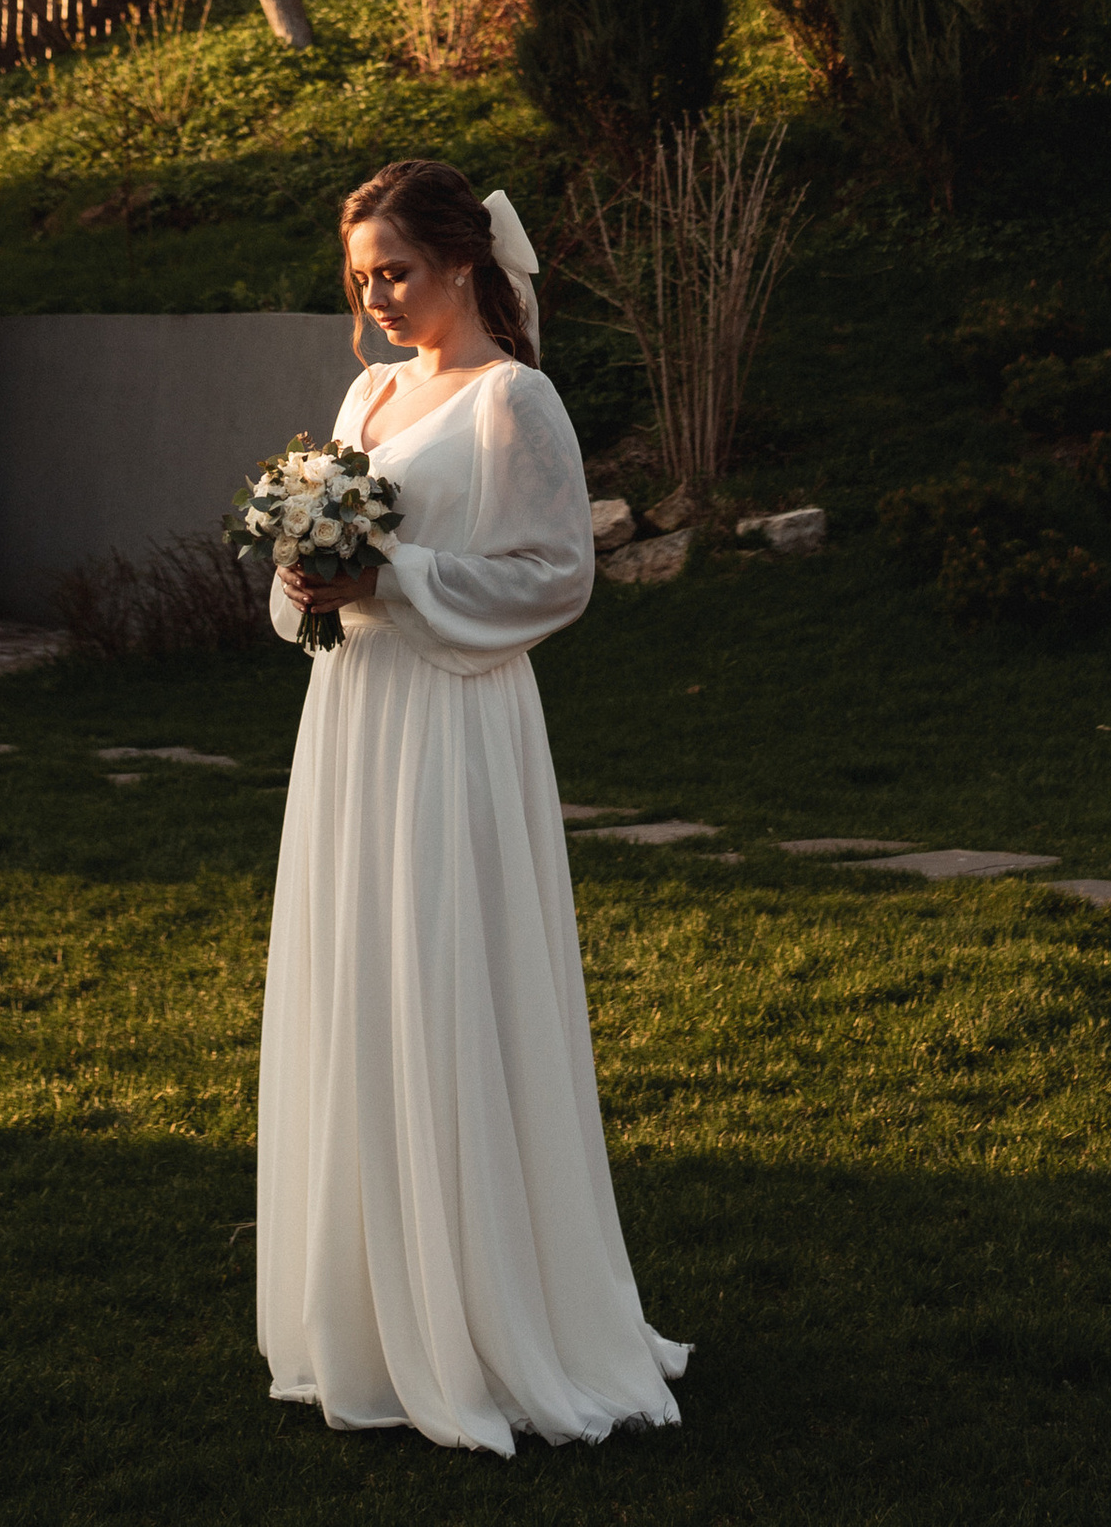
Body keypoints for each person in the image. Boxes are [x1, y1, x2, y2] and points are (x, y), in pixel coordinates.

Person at [254, 155, 687, 1452]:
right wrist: (308, 576)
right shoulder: (369, 391)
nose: (376, 297)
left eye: (393, 271)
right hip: (355, 722)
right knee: (361, 985)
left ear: (460, 262)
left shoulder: (518, 403)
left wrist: (394, 574)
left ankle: (489, 1311)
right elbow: (324, 567)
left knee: (444, 983)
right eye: (360, 278)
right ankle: (374, 1317)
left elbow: (557, 577)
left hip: (454, 724)